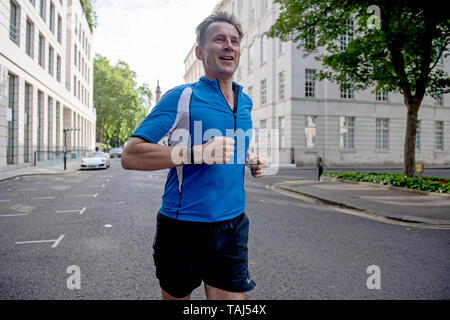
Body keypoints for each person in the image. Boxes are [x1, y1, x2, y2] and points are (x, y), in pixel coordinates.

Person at [121, 12, 266, 300]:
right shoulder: (181, 97)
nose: (229, 46)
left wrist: (250, 158)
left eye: (234, 41)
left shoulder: (245, 101)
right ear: (200, 52)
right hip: (182, 227)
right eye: (219, 39)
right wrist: (196, 152)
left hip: (233, 224)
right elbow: (131, 154)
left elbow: (235, 142)